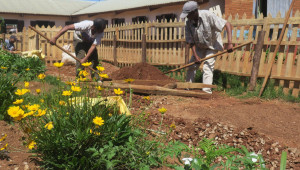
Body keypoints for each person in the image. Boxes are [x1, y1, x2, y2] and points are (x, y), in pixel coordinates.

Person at [180, 1, 233, 94]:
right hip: (200, 47)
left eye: (188, 14)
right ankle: (187, 87)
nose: (187, 17)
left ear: (194, 12)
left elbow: (227, 24)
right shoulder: (188, 23)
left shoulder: (207, 15)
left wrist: (229, 43)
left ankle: (206, 91)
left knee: (207, 66)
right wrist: (195, 56)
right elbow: (190, 42)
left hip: (212, 46)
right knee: (192, 65)